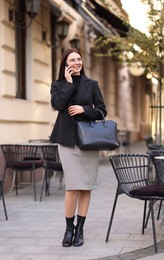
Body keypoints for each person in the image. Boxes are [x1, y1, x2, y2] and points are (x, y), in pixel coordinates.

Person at [50, 48, 107, 247]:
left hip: (88, 142)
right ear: (65, 63)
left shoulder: (92, 84)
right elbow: (58, 105)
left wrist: (86, 109)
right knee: (72, 186)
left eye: (79, 59)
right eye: (72, 60)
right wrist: (68, 84)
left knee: (85, 187)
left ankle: (80, 229)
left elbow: (102, 112)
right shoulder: (58, 84)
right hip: (66, 140)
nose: (77, 63)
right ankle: (69, 229)